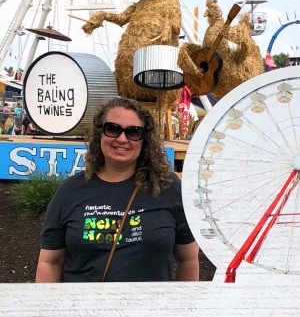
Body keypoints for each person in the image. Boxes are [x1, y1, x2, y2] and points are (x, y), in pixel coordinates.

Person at [36, 96, 199, 284]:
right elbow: (50, 262)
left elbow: (188, 259)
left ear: (144, 140)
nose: (122, 139)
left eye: (133, 132)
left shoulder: (168, 187)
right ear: (100, 134)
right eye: (113, 129)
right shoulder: (69, 191)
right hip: (83, 310)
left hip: (151, 310)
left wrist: (182, 309)